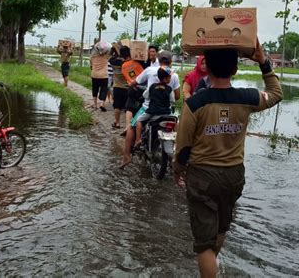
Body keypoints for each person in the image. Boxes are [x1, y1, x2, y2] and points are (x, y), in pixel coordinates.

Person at [173, 40, 283, 278]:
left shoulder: (194, 103)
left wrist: (178, 169)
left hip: (203, 175)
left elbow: (183, 147)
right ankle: (213, 262)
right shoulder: (246, 97)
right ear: (234, 70)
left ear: (207, 69)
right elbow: (276, 93)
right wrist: (263, 62)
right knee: (222, 225)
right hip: (234, 175)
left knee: (203, 243)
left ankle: (208, 263)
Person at [120, 51, 181, 168]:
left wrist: (133, 87)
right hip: (166, 110)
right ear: (171, 62)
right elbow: (176, 97)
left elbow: (135, 83)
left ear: (158, 59)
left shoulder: (149, 70)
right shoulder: (174, 75)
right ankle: (176, 146)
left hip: (148, 108)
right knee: (175, 123)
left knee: (131, 127)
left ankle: (126, 156)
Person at [134, 68, 175, 147]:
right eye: (170, 77)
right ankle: (176, 141)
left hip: (152, 111)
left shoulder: (152, 86)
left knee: (138, 121)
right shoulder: (169, 89)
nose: (170, 78)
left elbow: (145, 95)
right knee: (176, 121)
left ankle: (138, 140)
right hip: (166, 113)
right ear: (165, 78)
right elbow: (172, 101)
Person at [120, 46, 145, 133]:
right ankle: (138, 127)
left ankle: (127, 127)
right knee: (141, 107)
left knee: (129, 108)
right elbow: (143, 74)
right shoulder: (136, 63)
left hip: (131, 87)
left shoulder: (123, 66)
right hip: (141, 88)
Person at [110, 44, 128, 129]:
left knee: (117, 106)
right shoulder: (129, 63)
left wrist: (117, 52)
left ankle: (117, 122)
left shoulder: (114, 62)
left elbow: (110, 58)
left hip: (117, 87)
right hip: (128, 87)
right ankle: (127, 126)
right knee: (128, 108)